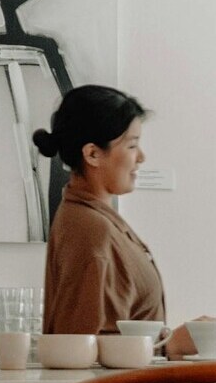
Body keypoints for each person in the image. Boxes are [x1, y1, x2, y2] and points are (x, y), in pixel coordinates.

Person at [34, 86, 202, 358]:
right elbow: (78, 348)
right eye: (132, 145)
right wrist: (171, 345)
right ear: (92, 154)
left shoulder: (97, 219)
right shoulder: (90, 228)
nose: (142, 157)